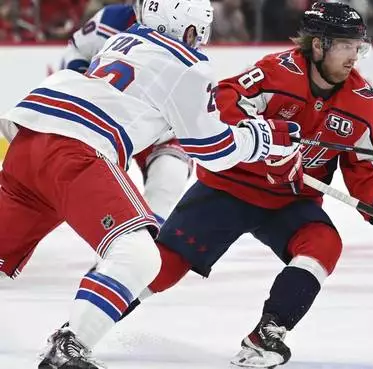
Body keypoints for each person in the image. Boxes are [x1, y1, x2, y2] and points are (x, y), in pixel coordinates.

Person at [0, 0, 300, 368]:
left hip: (30, 138)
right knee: (140, 255)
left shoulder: (124, 39)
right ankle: (70, 346)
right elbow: (213, 150)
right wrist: (263, 136)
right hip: (75, 150)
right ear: (193, 30)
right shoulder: (189, 64)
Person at [121, 2, 373, 368]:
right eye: (344, 45)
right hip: (228, 190)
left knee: (324, 243)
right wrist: (268, 145)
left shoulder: (362, 101)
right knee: (164, 267)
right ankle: (81, 326)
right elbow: (222, 105)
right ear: (319, 45)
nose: (353, 56)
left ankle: (268, 332)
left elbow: (366, 166)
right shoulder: (275, 73)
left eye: (358, 47)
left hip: (289, 202)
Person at [58, 0, 191, 225]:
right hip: (105, 125)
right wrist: (80, 82)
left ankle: (148, 244)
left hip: (159, 128)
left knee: (169, 175)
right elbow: (77, 49)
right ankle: (119, 248)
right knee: (95, 193)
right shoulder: (111, 19)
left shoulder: (184, 21)